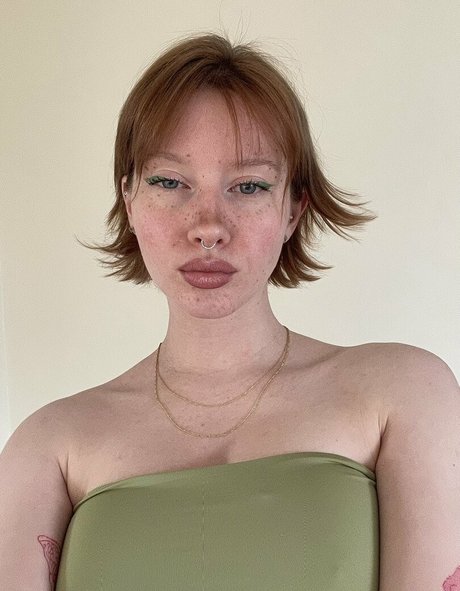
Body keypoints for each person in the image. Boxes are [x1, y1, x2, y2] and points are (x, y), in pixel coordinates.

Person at [0, 33, 459, 591]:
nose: (208, 227)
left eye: (248, 186)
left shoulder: (406, 392)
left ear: (293, 210)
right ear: (130, 200)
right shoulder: (48, 445)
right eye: (169, 182)